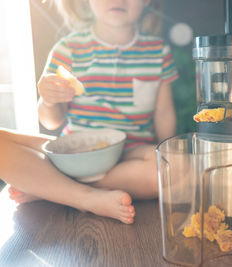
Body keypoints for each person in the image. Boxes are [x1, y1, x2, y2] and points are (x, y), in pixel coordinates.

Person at [0, 0, 178, 224]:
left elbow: (164, 113)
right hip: (72, 155)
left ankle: (52, 188)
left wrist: (171, 158)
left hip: (129, 155)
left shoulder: (158, 52)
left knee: (169, 168)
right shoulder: (68, 49)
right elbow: (51, 120)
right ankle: (87, 197)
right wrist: (48, 100)